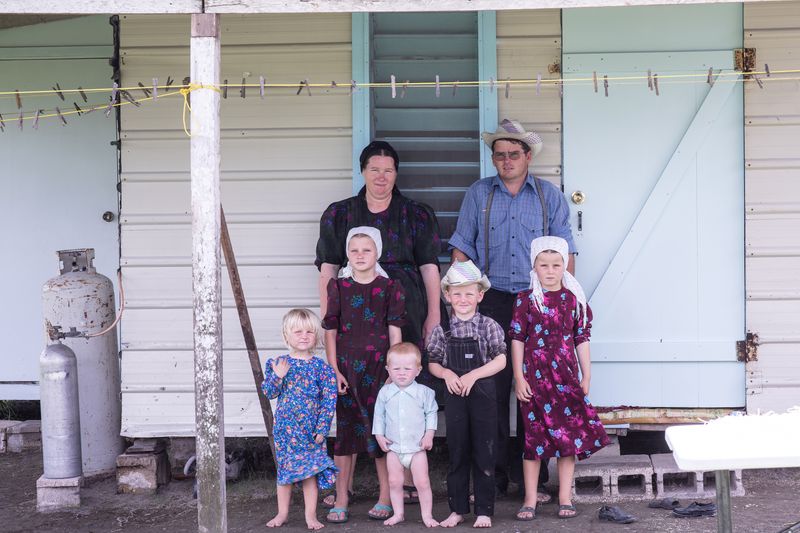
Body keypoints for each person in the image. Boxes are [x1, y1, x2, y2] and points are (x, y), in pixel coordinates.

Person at [449, 118, 577, 500]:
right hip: (491, 300)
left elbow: (566, 252)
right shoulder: (479, 194)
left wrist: (564, 303)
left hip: (536, 301)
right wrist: (460, 299)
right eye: (500, 154)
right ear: (493, 158)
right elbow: (462, 249)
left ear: (528, 156)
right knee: (491, 388)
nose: (507, 160)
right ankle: (493, 477)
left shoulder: (548, 196)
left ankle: (531, 481)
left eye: (514, 154)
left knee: (533, 390)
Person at [316, 140, 442, 507]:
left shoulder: (416, 214)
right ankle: (345, 487)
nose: (381, 177)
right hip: (353, 315)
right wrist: (329, 318)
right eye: (374, 169)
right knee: (350, 399)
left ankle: (406, 478)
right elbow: (327, 269)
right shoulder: (339, 214)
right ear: (363, 171)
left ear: (396, 173)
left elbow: (430, 267)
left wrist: (434, 315)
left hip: (406, 313)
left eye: (388, 170)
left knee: (402, 390)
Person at [509, 236, 609, 521]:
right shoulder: (526, 300)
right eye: (544, 265)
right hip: (535, 381)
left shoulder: (573, 300)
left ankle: (565, 497)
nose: (550, 271)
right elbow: (517, 338)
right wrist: (518, 377)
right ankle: (530, 499)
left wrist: (586, 375)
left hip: (565, 379)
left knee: (567, 440)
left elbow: (582, 338)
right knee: (534, 441)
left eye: (556, 265)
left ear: (564, 266)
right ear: (535, 267)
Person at [322, 227, 406, 523]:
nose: (360, 255)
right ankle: (341, 497)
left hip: (378, 369)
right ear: (347, 253)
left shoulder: (390, 287)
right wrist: (334, 370)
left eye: (366, 250)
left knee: (381, 432)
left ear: (377, 253)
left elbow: (395, 332)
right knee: (346, 434)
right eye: (354, 250)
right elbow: (330, 330)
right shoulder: (338, 287)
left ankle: (386, 496)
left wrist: (394, 370)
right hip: (346, 370)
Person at [427, 260, 507, 529]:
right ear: (447, 295)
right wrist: (447, 374)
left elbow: (501, 360)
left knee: (485, 452)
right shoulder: (442, 330)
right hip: (455, 398)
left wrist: (473, 375)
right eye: (457, 293)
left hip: (483, 396)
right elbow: (433, 362)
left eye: (469, 293)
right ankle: (457, 509)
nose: (463, 299)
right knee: (458, 451)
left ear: (480, 295)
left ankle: (484, 510)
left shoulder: (489, 326)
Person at [262, 308, 338, 531]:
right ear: (286, 335)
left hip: (310, 432)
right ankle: (282, 513)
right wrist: (278, 376)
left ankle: (310, 516)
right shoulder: (279, 363)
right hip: (286, 430)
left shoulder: (321, 368)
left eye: (309, 332)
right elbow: (269, 393)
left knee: (309, 475)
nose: (304, 336)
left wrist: (322, 428)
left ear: (316, 335)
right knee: (285, 473)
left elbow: (329, 400)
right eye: (298, 332)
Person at [372, 342, 439, 527]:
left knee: (422, 482)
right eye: (396, 369)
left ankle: (427, 515)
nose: (401, 373)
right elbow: (379, 415)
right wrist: (379, 436)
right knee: (394, 482)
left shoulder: (424, 392)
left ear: (418, 370)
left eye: (407, 369)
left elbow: (431, 413)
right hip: (394, 447)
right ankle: (398, 513)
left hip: (416, 448)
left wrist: (429, 435)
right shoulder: (385, 392)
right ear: (388, 369)